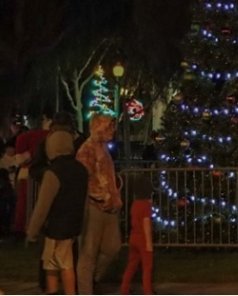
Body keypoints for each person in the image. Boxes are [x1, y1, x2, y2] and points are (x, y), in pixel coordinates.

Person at [27, 130, 89, 295]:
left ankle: (58, 292)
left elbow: (42, 205)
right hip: (74, 224)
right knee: (60, 263)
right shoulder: (81, 170)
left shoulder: (53, 172)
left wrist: (32, 231)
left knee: (57, 265)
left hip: (55, 226)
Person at [77, 114, 123, 295]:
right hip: (94, 207)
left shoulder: (103, 148)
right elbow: (84, 178)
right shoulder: (86, 149)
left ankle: (92, 279)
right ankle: (85, 289)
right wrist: (102, 196)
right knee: (89, 252)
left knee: (113, 247)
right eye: (109, 126)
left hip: (110, 207)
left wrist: (114, 190)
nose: (113, 130)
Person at [13, 113, 52, 234]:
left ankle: (24, 227)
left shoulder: (23, 137)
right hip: (46, 172)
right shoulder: (50, 136)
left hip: (28, 173)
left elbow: (20, 160)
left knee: (24, 203)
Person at [120, 175, 155, 295]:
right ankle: (147, 290)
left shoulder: (134, 204)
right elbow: (146, 224)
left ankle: (124, 288)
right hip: (142, 239)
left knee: (132, 264)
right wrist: (149, 242)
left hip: (133, 237)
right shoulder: (146, 206)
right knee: (147, 266)